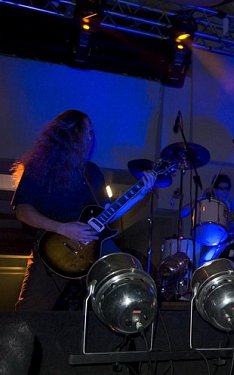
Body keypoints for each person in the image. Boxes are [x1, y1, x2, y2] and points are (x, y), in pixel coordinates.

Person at [11, 110, 155, 311]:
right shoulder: (39, 168)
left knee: (129, 275)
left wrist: (140, 193)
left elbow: (107, 213)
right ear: (71, 134)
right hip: (55, 247)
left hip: (96, 244)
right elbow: (22, 210)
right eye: (88, 132)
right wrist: (62, 228)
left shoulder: (92, 172)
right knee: (29, 312)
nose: (91, 138)